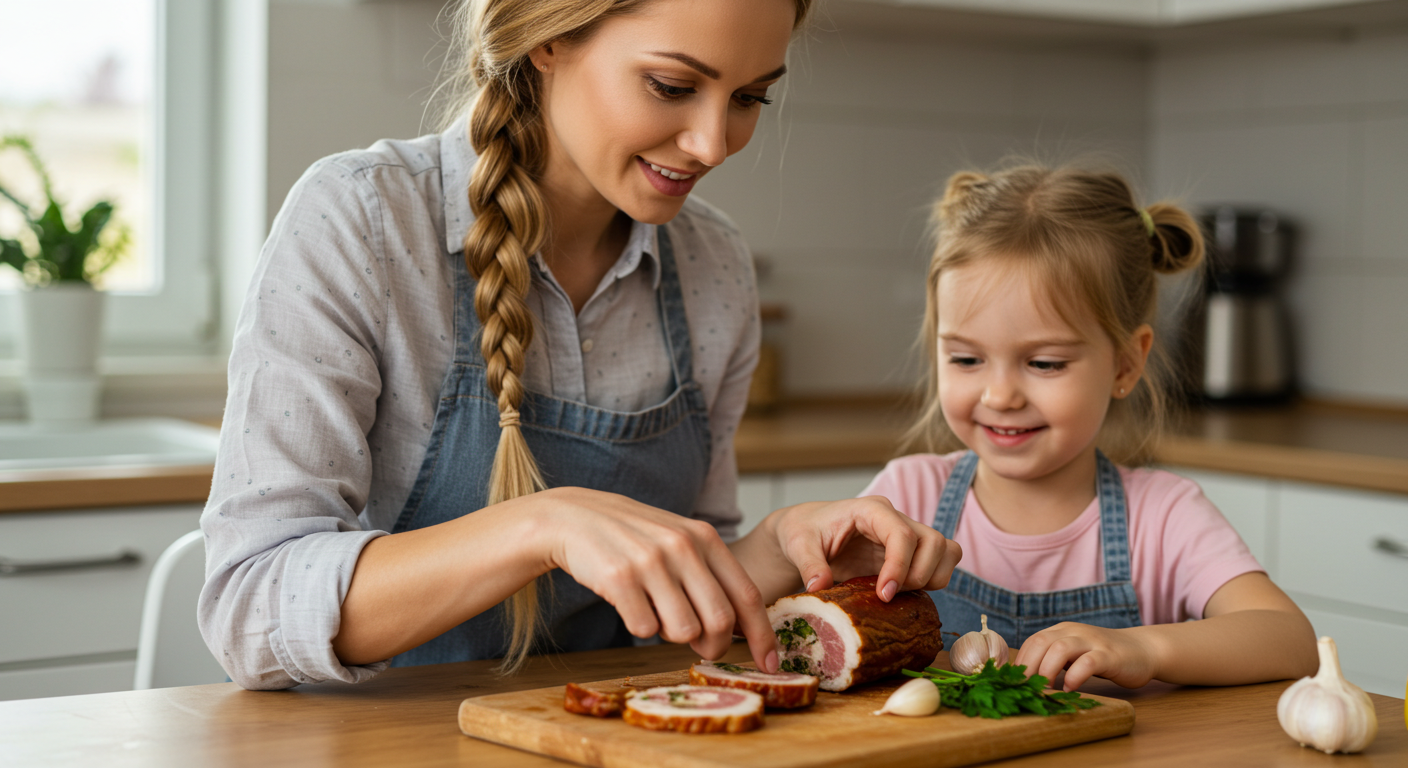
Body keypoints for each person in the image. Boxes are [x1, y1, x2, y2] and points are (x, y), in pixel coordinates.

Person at [200, 0, 961, 691]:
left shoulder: (713, 265)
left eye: (750, 98)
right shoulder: (362, 220)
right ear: (550, 40)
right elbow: (251, 605)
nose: (712, 142)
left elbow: (681, 610)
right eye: (670, 85)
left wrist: (775, 549)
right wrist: (541, 526)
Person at [860, 164, 1318, 692]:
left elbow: (1289, 638)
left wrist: (1144, 647)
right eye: (966, 359)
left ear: (1125, 364)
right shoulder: (905, 496)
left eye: (1046, 364)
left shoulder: (1165, 515)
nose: (999, 396)